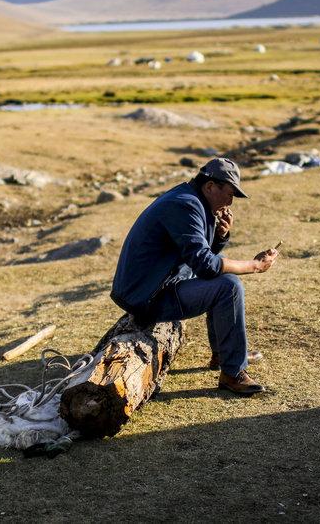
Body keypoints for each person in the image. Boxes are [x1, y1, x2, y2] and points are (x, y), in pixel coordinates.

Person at [110, 158, 278, 395]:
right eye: (229, 194)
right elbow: (207, 266)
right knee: (228, 285)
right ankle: (232, 373)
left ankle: (224, 353)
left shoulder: (191, 198)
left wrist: (220, 235)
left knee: (223, 279)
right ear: (210, 186)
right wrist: (255, 265)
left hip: (152, 287)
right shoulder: (185, 205)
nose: (231, 202)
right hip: (146, 297)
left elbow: (199, 258)